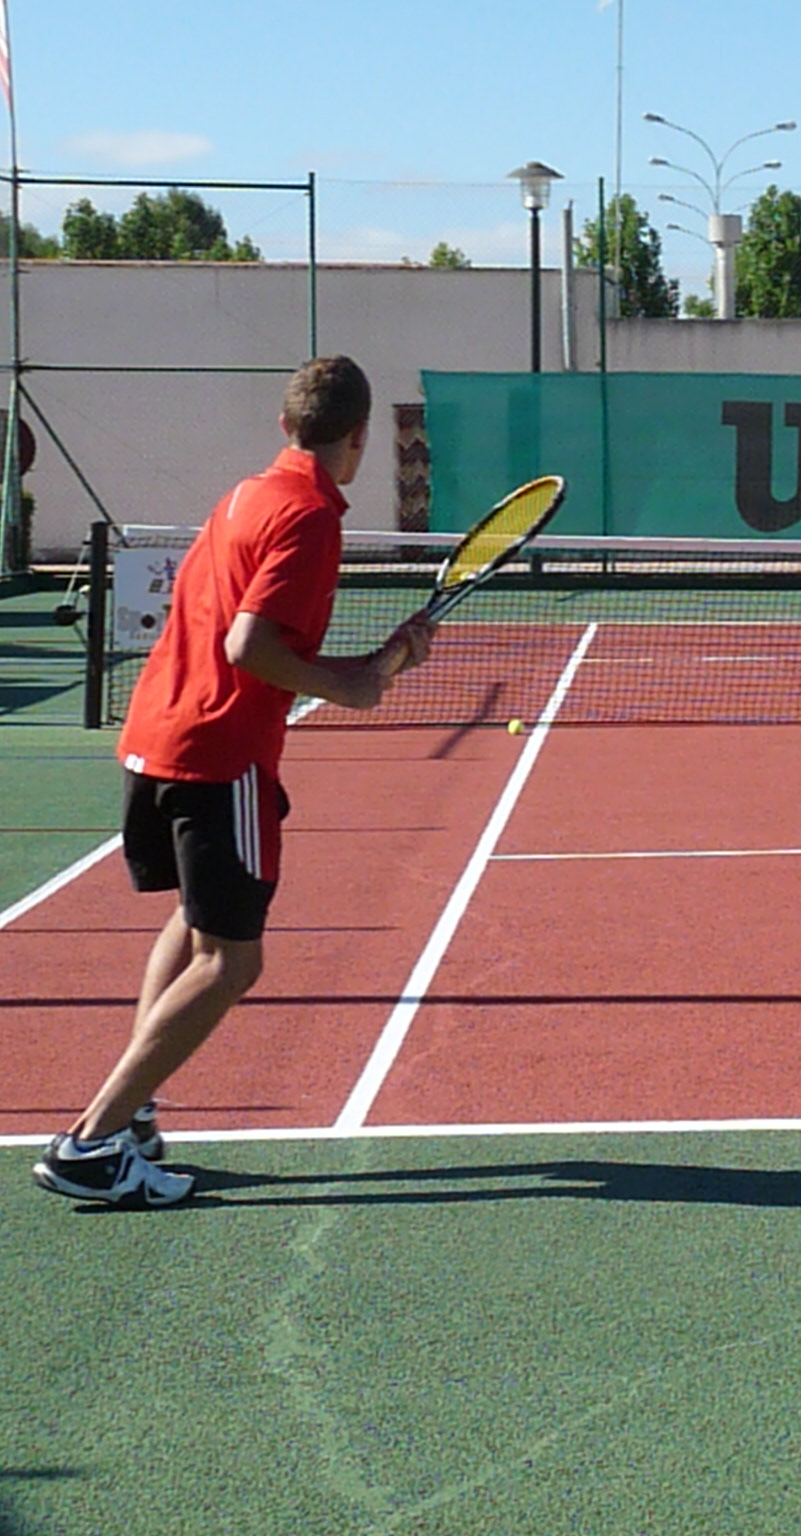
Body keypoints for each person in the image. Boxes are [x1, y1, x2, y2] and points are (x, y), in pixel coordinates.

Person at [32, 356, 434, 1207]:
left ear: (286, 426)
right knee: (232, 963)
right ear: (361, 436)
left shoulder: (247, 494)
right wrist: (352, 687)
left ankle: (133, 1117)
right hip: (222, 753)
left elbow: (242, 633)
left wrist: (370, 663)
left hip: (157, 735)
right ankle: (91, 1143)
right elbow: (248, 646)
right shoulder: (310, 517)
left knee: (195, 921)